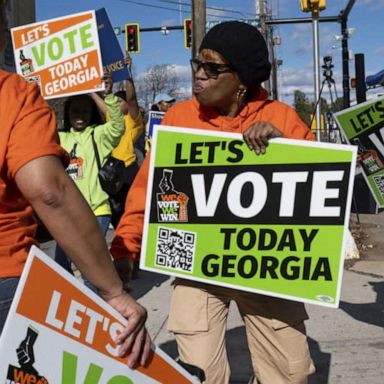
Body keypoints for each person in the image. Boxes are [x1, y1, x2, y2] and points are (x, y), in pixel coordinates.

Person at [111, 21, 315, 383]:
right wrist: (125, 247)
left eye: (213, 68)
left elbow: (322, 187)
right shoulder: (179, 118)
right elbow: (149, 190)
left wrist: (286, 147)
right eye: (197, 65)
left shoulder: (282, 117)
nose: (199, 75)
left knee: (289, 374)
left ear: (242, 80)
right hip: (197, 270)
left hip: (267, 270)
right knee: (197, 375)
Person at [0, 0, 150, 368]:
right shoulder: (14, 96)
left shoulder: (95, 136)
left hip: (94, 212)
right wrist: (112, 291)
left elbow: (117, 122)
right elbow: (50, 191)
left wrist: (102, 93)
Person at [91, 55, 144, 229]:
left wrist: (127, 74)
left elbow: (132, 99)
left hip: (128, 170)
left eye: (120, 100)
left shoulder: (133, 120)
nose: (118, 102)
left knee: (128, 212)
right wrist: (87, 87)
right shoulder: (112, 118)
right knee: (114, 213)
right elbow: (101, 100)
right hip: (111, 170)